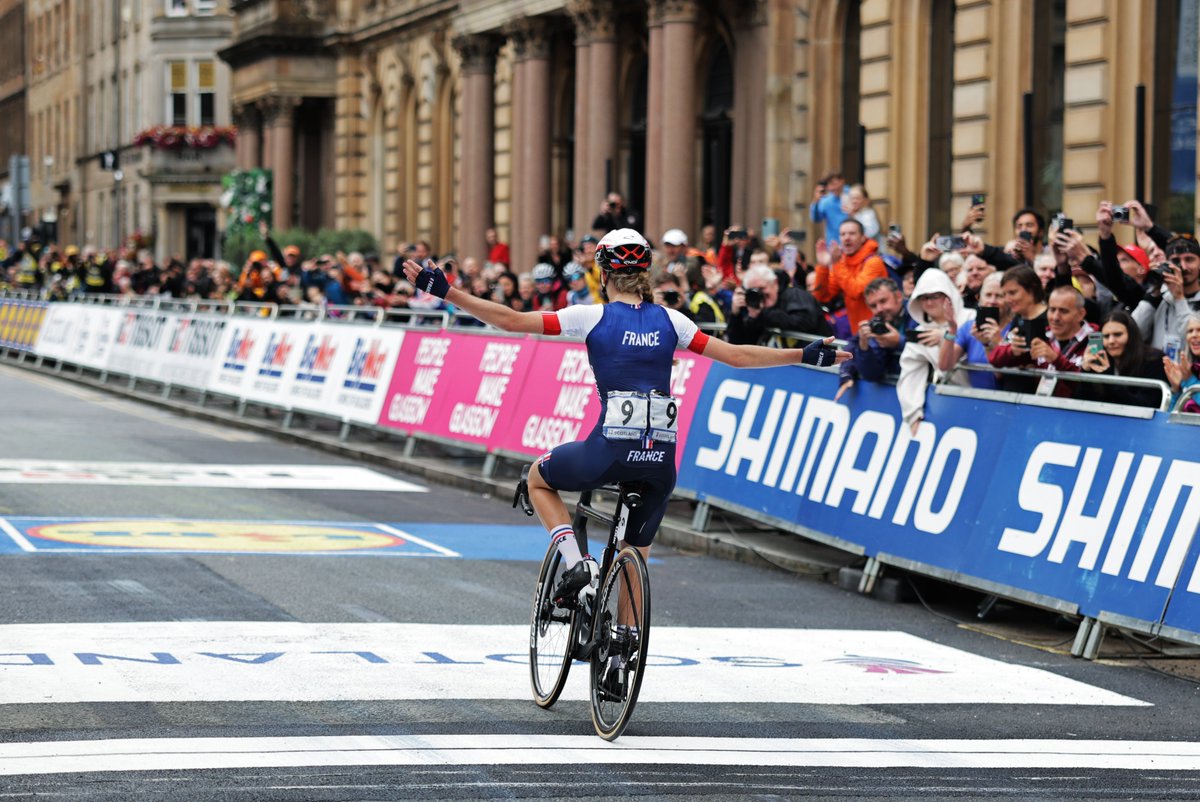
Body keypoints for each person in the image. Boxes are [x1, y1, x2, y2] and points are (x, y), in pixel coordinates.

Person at [402, 229, 849, 690]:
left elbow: (513, 321)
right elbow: (735, 355)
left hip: (608, 450)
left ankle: (577, 563)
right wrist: (805, 354)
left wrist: (448, 292)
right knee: (636, 553)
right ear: (644, 271)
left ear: (603, 270)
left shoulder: (590, 316)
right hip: (660, 459)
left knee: (538, 478)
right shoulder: (673, 322)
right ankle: (620, 663)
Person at [896, 268, 976, 433]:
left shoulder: (970, 318)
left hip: (981, 397)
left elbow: (980, 352)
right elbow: (910, 372)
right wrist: (913, 414)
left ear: (948, 295)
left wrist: (945, 337)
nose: (929, 303)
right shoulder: (921, 332)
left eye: (934, 296)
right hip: (950, 404)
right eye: (924, 298)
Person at [835, 277, 911, 402]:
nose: (879, 309)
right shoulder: (873, 326)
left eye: (883, 301)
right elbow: (870, 373)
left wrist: (900, 342)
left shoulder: (917, 314)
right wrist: (863, 347)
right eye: (873, 306)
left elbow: (929, 349)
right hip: (890, 396)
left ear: (898, 296)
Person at [1079, 309, 1168, 409]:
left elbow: (1145, 405)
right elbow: (1085, 403)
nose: (1111, 341)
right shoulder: (1100, 361)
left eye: (1118, 335)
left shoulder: (1154, 359)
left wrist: (1109, 379)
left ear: (1131, 335)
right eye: (1106, 336)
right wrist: (1086, 372)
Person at [811, 218, 890, 331]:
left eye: (852, 233)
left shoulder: (874, 262)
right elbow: (822, 296)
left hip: (877, 331)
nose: (847, 238)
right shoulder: (842, 263)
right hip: (858, 332)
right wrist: (823, 267)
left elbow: (856, 291)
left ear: (863, 238)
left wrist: (836, 263)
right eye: (843, 234)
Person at [726, 264, 831, 345]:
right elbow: (739, 344)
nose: (760, 294)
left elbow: (805, 322)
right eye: (755, 291)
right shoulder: (757, 307)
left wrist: (763, 314)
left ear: (775, 283)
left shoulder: (795, 295)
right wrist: (736, 314)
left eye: (762, 288)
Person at [1163, 312, 1200, 411]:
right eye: (1190, 331)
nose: (1194, 335)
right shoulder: (1188, 368)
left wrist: (1189, 380)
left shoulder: (1188, 374)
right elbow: (1171, 416)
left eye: (1199, 330)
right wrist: (1176, 389)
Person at [809, 172, 849, 247]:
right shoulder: (826, 201)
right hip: (834, 244)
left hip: (852, 242)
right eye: (829, 185)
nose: (832, 188)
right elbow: (816, 219)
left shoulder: (852, 194)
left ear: (842, 181)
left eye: (834, 184)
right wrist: (816, 201)